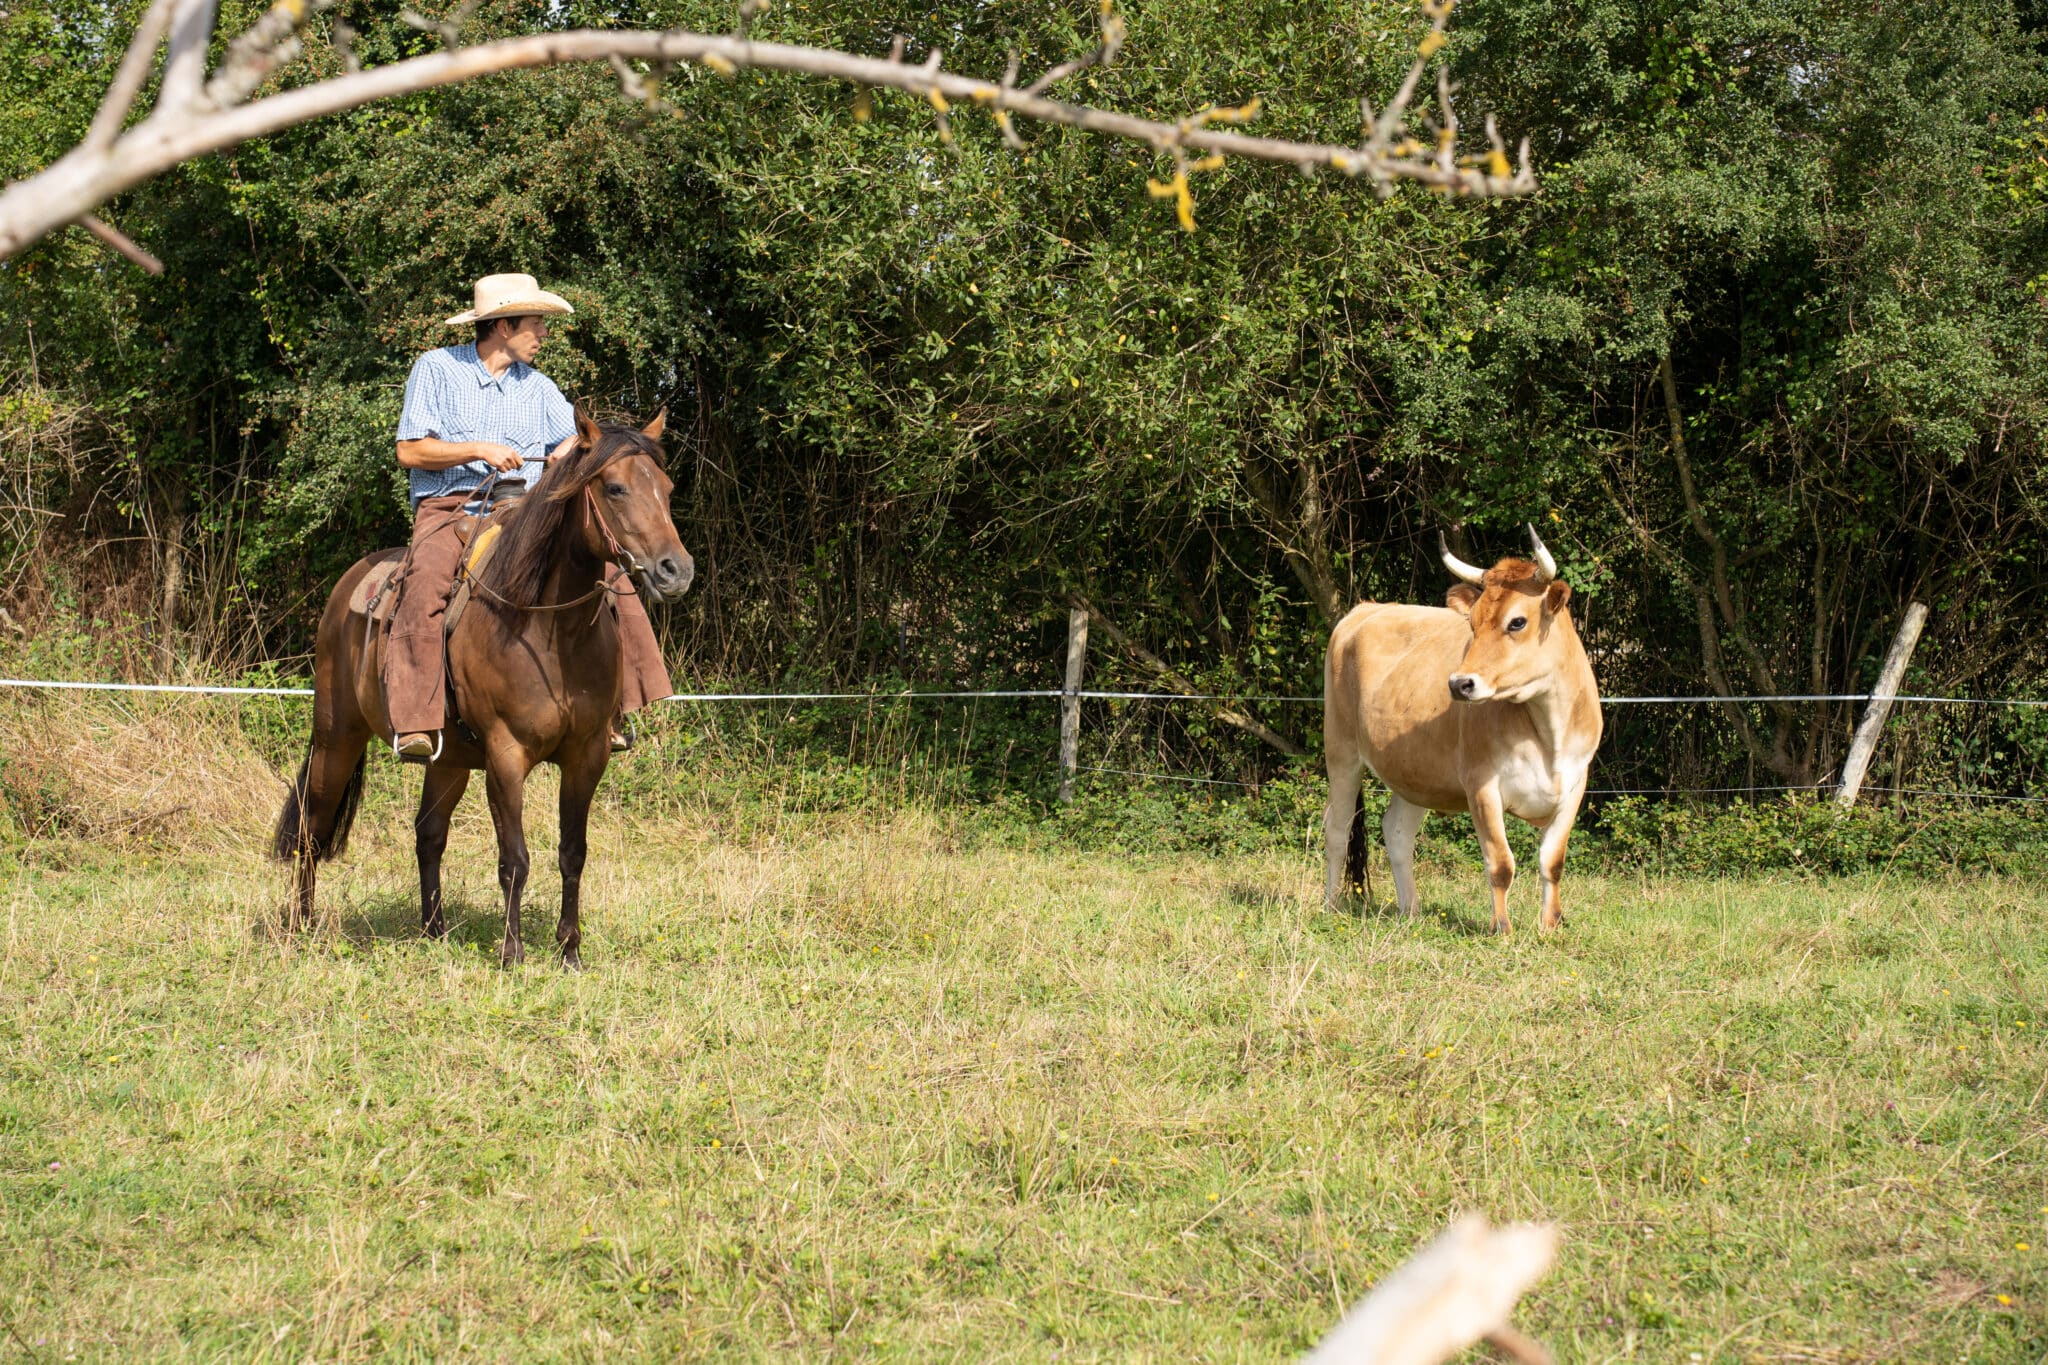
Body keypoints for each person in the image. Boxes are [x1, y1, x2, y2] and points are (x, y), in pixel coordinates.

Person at [383, 272, 672, 759]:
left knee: (612, 576)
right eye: (535, 324)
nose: (543, 334)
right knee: (426, 582)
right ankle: (416, 723)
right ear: (502, 325)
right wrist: (477, 449)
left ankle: (614, 713)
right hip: (451, 507)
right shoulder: (436, 369)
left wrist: (570, 452)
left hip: (521, 511)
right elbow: (410, 451)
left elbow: (576, 440)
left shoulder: (537, 387)